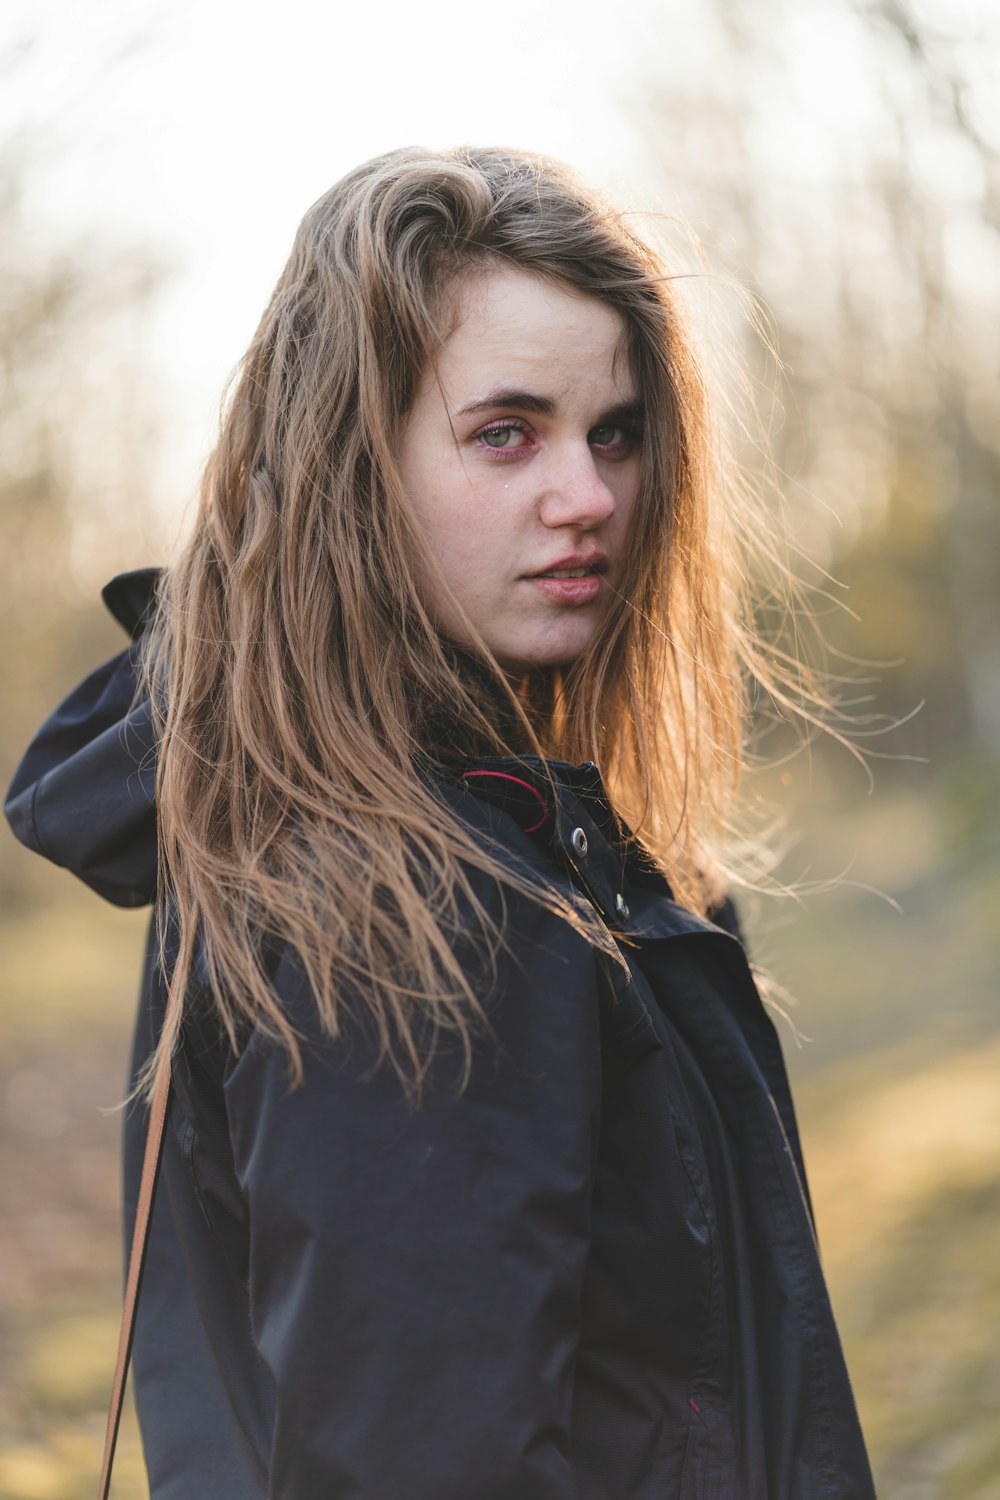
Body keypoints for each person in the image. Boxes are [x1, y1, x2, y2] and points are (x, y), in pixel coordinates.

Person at [4, 146, 876, 1498]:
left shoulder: (444, 829)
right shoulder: (417, 907)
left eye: (617, 431)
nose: (588, 496)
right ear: (354, 468)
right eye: (506, 433)